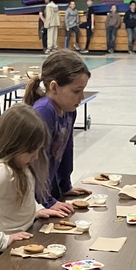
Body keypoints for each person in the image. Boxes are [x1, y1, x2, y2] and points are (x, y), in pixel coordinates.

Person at [0, 104, 67, 261]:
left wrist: (33, 216)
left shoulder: (18, 165)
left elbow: (11, 205)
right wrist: (1, 240)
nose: (36, 157)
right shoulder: (2, 171)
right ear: (13, 146)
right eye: (31, 152)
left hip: (18, 240)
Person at [24, 49, 90, 208]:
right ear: (54, 87)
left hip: (46, 190)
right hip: (28, 197)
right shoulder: (44, 111)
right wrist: (48, 201)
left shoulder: (69, 110)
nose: (81, 97)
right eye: (76, 91)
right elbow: (37, 163)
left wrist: (65, 185)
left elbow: (66, 149)